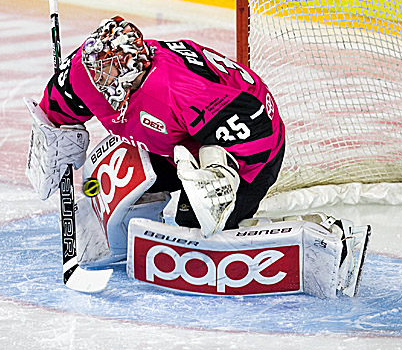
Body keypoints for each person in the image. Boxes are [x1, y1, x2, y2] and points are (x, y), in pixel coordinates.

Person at [26, 16, 286, 238]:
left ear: (130, 66)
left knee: (198, 223)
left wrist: (218, 180)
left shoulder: (180, 92)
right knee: (109, 182)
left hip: (253, 145)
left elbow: (258, 131)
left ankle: (231, 220)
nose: (95, 75)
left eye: (106, 68)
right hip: (179, 140)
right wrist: (53, 137)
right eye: (96, 65)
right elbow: (58, 105)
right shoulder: (86, 69)